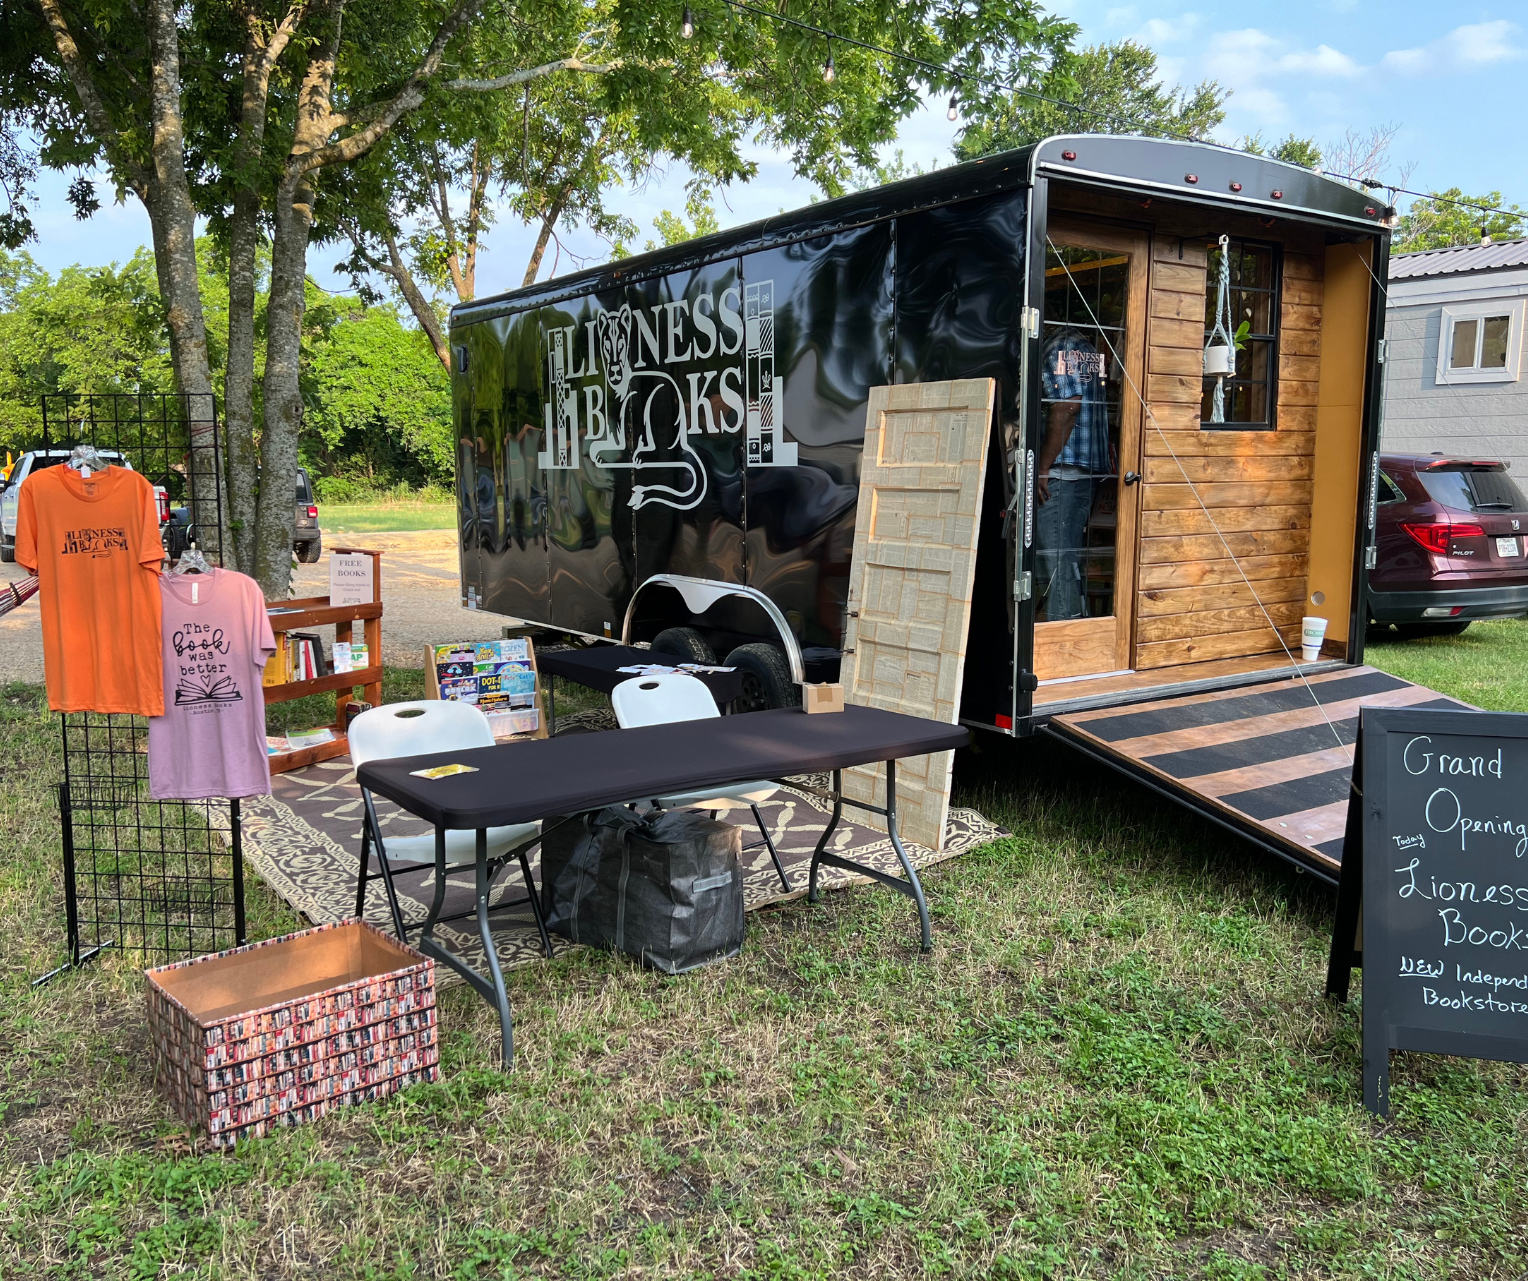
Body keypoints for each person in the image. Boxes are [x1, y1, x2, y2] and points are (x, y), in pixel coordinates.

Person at [1035, 325, 1112, 620]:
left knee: (1056, 565)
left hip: (1060, 472)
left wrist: (1042, 466)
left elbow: (1067, 406)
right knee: (1068, 561)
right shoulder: (1087, 349)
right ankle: (1072, 628)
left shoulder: (1057, 349)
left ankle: (1062, 637)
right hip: (1084, 472)